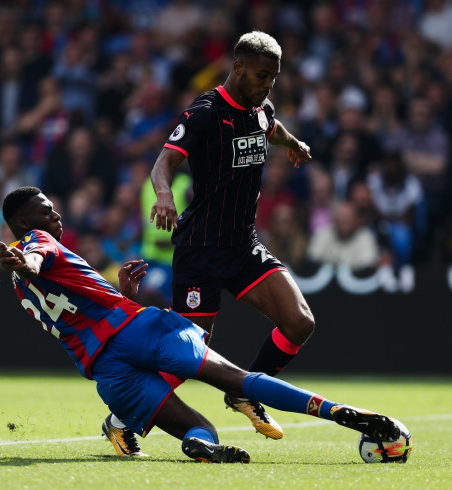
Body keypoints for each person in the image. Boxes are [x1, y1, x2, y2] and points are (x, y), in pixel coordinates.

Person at [0, 186, 401, 463]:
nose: (55, 215)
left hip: (107, 372)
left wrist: (122, 294)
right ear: (21, 222)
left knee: (202, 428)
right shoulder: (36, 243)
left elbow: (74, 313)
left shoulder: (19, 286)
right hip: (139, 333)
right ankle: (340, 412)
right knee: (237, 379)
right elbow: (35, 256)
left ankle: (200, 447)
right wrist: (27, 260)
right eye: (45, 211)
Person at [149, 31, 315, 439]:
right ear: (238, 67)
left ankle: (245, 391)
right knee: (184, 360)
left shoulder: (261, 108)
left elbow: (269, 127)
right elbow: (164, 162)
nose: (267, 85)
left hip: (242, 247)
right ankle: (123, 419)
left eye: (273, 78)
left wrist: (292, 142)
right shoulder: (206, 111)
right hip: (200, 251)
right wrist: (165, 197)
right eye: (261, 75)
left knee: (299, 321)